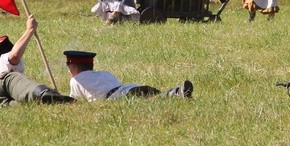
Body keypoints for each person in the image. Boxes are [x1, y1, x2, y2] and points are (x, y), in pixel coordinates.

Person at [0, 15, 74, 107]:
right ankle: (44, 93)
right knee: (12, 78)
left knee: (30, 105)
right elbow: (14, 56)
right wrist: (30, 30)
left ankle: (50, 100)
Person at [64, 51, 193, 101]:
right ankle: (178, 91)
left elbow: (75, 102)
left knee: (153, 100)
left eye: (69, 68)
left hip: (120, 97)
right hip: (130, 88)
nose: (69, 71)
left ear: (75, 67)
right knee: (157, 96)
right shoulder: (104, 73)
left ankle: (178, 93)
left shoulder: (75, 80)